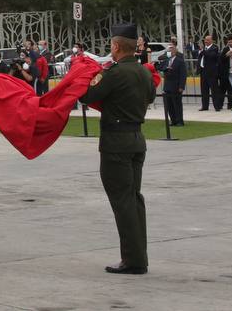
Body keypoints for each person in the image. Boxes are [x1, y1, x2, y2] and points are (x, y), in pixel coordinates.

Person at [82, 22, 155, 275]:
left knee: (123, 202)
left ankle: (133, 260)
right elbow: (150, 96)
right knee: (134, 199)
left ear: (115, 46)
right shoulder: (144, 72)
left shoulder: (114, 73)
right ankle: (138, 256)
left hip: (116, 143)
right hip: (137, 138)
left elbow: (87, 95)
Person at [161, 40, 186, 126]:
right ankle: (173, 120)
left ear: (175, 50)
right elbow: (161, 66)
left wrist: (181, 86)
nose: (170, 51)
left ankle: (179, 121)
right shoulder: (167, 59)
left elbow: (183, 75)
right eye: (169, 49)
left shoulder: (180, 61)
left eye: (172, 49)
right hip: (167, 85)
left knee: (177, 104)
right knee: (169, 105)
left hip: (176, 85)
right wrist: (165, 68)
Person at [196, 35, 222, 111]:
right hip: (203, 72)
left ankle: (217, 106)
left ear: (211, 40)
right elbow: (201, 57)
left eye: (207, 40)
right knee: (204, 90)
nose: (205, 41)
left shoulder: (214, 48)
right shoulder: (204, 49)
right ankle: (205, 106)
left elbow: (211, 56)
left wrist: (203, 51)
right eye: (205, 40)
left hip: (211, 73)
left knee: (214, 90)